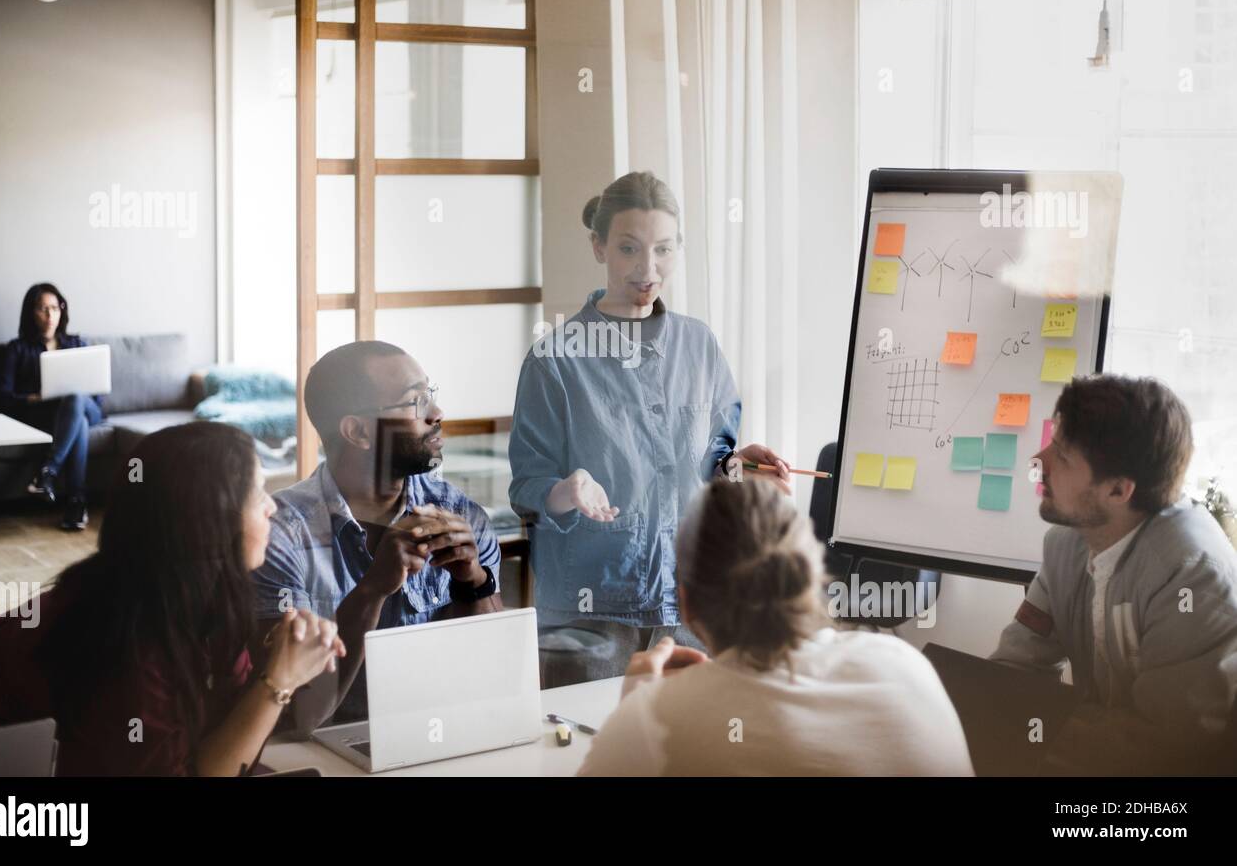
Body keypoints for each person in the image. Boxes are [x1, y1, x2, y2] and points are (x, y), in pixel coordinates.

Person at [509, 171, 791, 686]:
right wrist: (565, 491)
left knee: (688, 754)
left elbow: (711, 464)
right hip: (589, 617)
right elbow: (527, 493)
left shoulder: (699, 346)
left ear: (679, 247)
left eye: (663, 249)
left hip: (690, 606)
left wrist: (738, 468)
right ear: (598, 247)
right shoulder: (554, 361)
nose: (647, 268)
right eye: (628, 249)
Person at [0, 422, 344, 775]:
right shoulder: (123, 645)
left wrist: (276, 666)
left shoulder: (208, 600)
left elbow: (221, 750)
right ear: (208, 522)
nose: (272, 507)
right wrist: (277, 682)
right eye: (257, 494)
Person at [577, 478, 974, 775]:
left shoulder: (654, 720)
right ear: (814, 573)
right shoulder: (906, 665)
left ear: (685, 601)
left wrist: (637, 707)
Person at [991, 374, 1237, 774]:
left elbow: (1163, 746)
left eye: (1064, 456)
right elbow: (1018, 666)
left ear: (1119, 491)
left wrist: (1023, 728)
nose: (1039, 462)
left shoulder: (1194, 577)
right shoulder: (1065, 545)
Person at [252, 341, 502, 732]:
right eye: (414, 401)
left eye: (430, 394)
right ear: (357, 431)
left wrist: (473, 580)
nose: (437, 413)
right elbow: (294, 713)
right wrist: (371, 590)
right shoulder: (280, 534)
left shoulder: (459, 514)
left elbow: (493, 677)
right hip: (322, 750)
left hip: (441, 736)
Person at [0, 282, 103, 530]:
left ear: (62, 311)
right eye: (42, 309)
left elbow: (96, 392)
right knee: (79, 424)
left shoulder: (77, 344)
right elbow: (1, 398)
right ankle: (77, 502)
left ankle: (48, 471)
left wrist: (81, 397)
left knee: (76, 400)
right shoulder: (17, 349)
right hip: (46, 416)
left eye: (54, 308)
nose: (49, 315)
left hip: (89, 408)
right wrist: (34, 397)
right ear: (30, 313)